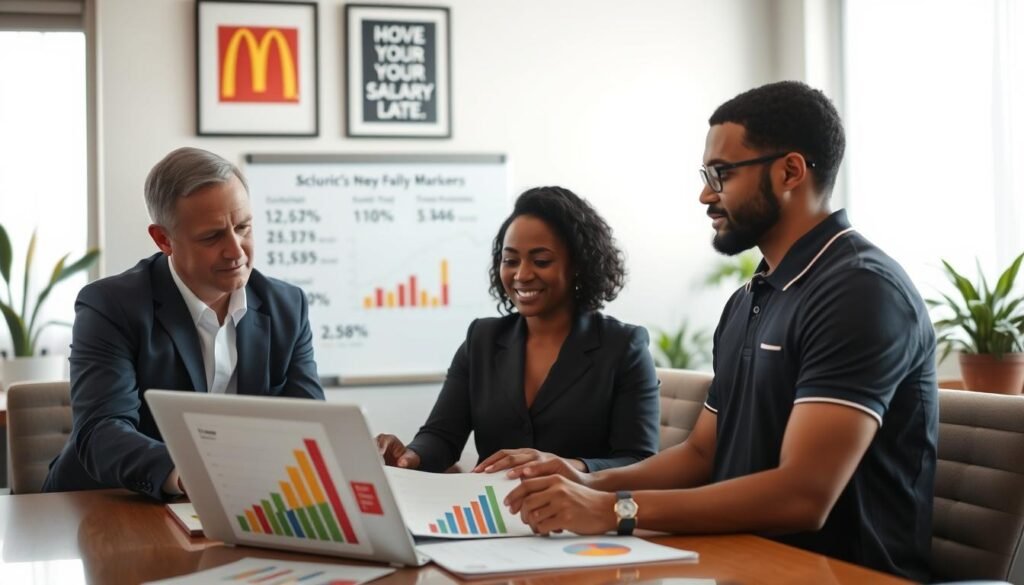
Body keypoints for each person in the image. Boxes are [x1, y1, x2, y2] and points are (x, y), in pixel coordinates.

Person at [505, 82, 938, 582]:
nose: (706, 194)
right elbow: (701, 454)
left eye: (721, 174)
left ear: (790, 171)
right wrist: (586, 479)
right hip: (738, 562)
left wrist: (615, 509)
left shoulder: (860, 291)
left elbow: (803, 496)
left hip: (837, 574)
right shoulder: (750, 299)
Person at [43, 147, 324, 500]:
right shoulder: (111, 305)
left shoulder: (286, 305)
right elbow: (101, 430)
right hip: (110, 506)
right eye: (212, 237)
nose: (236, 251)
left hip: (242, 502)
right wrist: (196, 476)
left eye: (243, 228)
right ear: (163, 240)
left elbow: (311, 425)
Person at [376, 186, 660, 474]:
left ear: (578, 265)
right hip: (492, 511)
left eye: (541, 261)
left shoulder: (623, 346)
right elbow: (442, 437)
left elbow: (639, 461)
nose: (522, 275)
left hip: (580, 514)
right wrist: (409, 457)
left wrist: (569, 467)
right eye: (510, 261)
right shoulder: (481, 340)